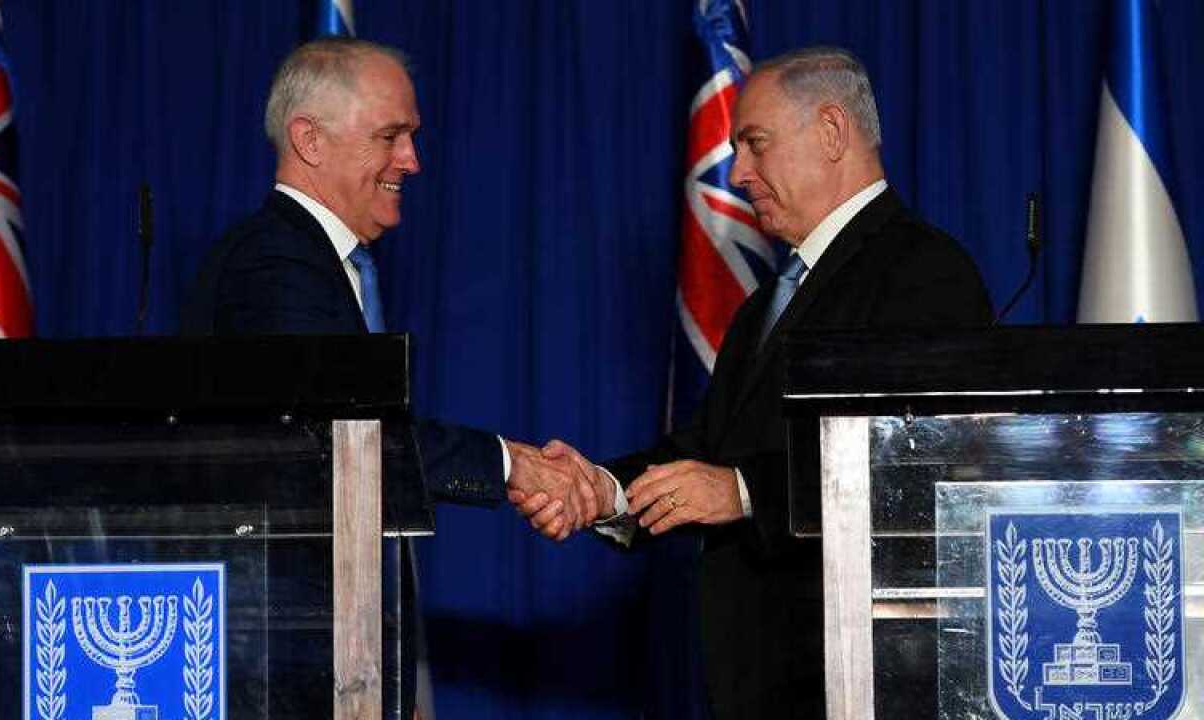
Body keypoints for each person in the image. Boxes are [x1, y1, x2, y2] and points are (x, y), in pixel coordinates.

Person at [510, 47, 994, 719]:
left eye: (754, 144)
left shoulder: (924, 273)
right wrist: (604, 491)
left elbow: (922, 466)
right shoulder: (770, 300)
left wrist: (743, 491)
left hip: (867, 684)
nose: (737, 174)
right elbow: (707, 448)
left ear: (831, 131)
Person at [184, 38, 599, 719]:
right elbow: (341, 437)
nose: (412, 160)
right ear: (309, 140)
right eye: (390, 136)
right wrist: (514, 466)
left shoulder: (317, 261)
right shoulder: (275, 267)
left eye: (410, 136)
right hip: (284, 653)